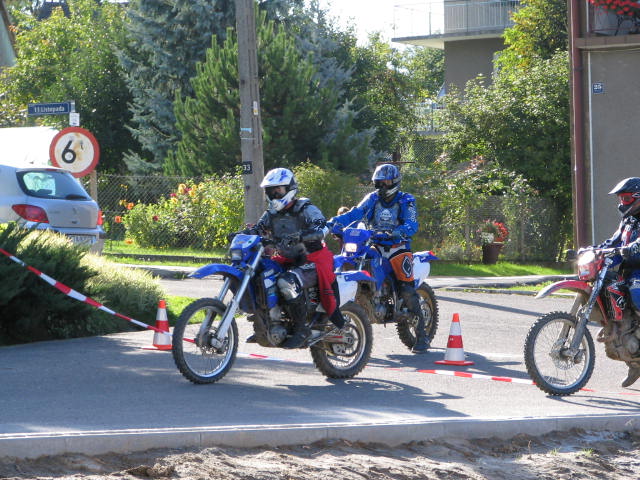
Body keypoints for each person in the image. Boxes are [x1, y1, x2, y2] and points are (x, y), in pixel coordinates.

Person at [328, 163, 430, 354]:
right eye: (379, 183)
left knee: (407, 289)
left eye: (386, 182)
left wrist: (398, 231)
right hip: (375, 245)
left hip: (398, 247)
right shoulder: (372, 198)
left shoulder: (406, 199)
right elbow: (355, 213)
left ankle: (422, 335)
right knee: (349, 262)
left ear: (395, 182)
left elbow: (412, 223)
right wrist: (333, 223)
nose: (382, 186)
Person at [245, 167, 344, 349]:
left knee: (286, 281)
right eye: (270, 191)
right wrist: (245, 233)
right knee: (260, 275)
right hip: (287, 259)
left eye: (278, 190)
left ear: (290, 188)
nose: (274, 195)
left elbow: (323, 226)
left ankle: (301, 329)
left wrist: (305, 235)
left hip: (312, 259)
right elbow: (258, 229)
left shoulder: (305, 208)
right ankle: (265, 324)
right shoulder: (271, 213)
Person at [587, 177, 640, 387]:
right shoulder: (628, 221)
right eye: (620, 199)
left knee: (636, 291)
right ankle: (633, 358)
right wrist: (593, 250)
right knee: (610, 292)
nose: (622, 203)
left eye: (626, 198)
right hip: (629, 270)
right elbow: (613, 242)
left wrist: (633, 247)